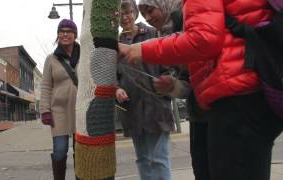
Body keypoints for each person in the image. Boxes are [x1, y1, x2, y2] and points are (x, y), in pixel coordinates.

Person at [119, 0, 283, 180]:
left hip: (235, 96)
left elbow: (203, 39)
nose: (149, 18)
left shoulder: (168, 23)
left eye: (150, 11)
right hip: (246, 90)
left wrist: (139, 50)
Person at [116, 0, 189, 180]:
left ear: (135, 13)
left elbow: (170, 65)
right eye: (120, 14)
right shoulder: (116, 44)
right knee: (142, 159)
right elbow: (112, 76)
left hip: (157, 106)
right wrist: (116, 90)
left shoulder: (152, 33)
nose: (125, 17)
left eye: (128, 12)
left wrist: (168, 80)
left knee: (159, 158)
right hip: (132, 108)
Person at [40, 19, 80, 180]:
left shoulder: (84, 54)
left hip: (80, 109)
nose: (65, 34)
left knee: (81, 150)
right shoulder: (51, 59)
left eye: (68, 31)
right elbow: (46, 86)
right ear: (58, 35)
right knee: (60, 150)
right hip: (59, 111)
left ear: (75, 35)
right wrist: (45, 110)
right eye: (61, 31)